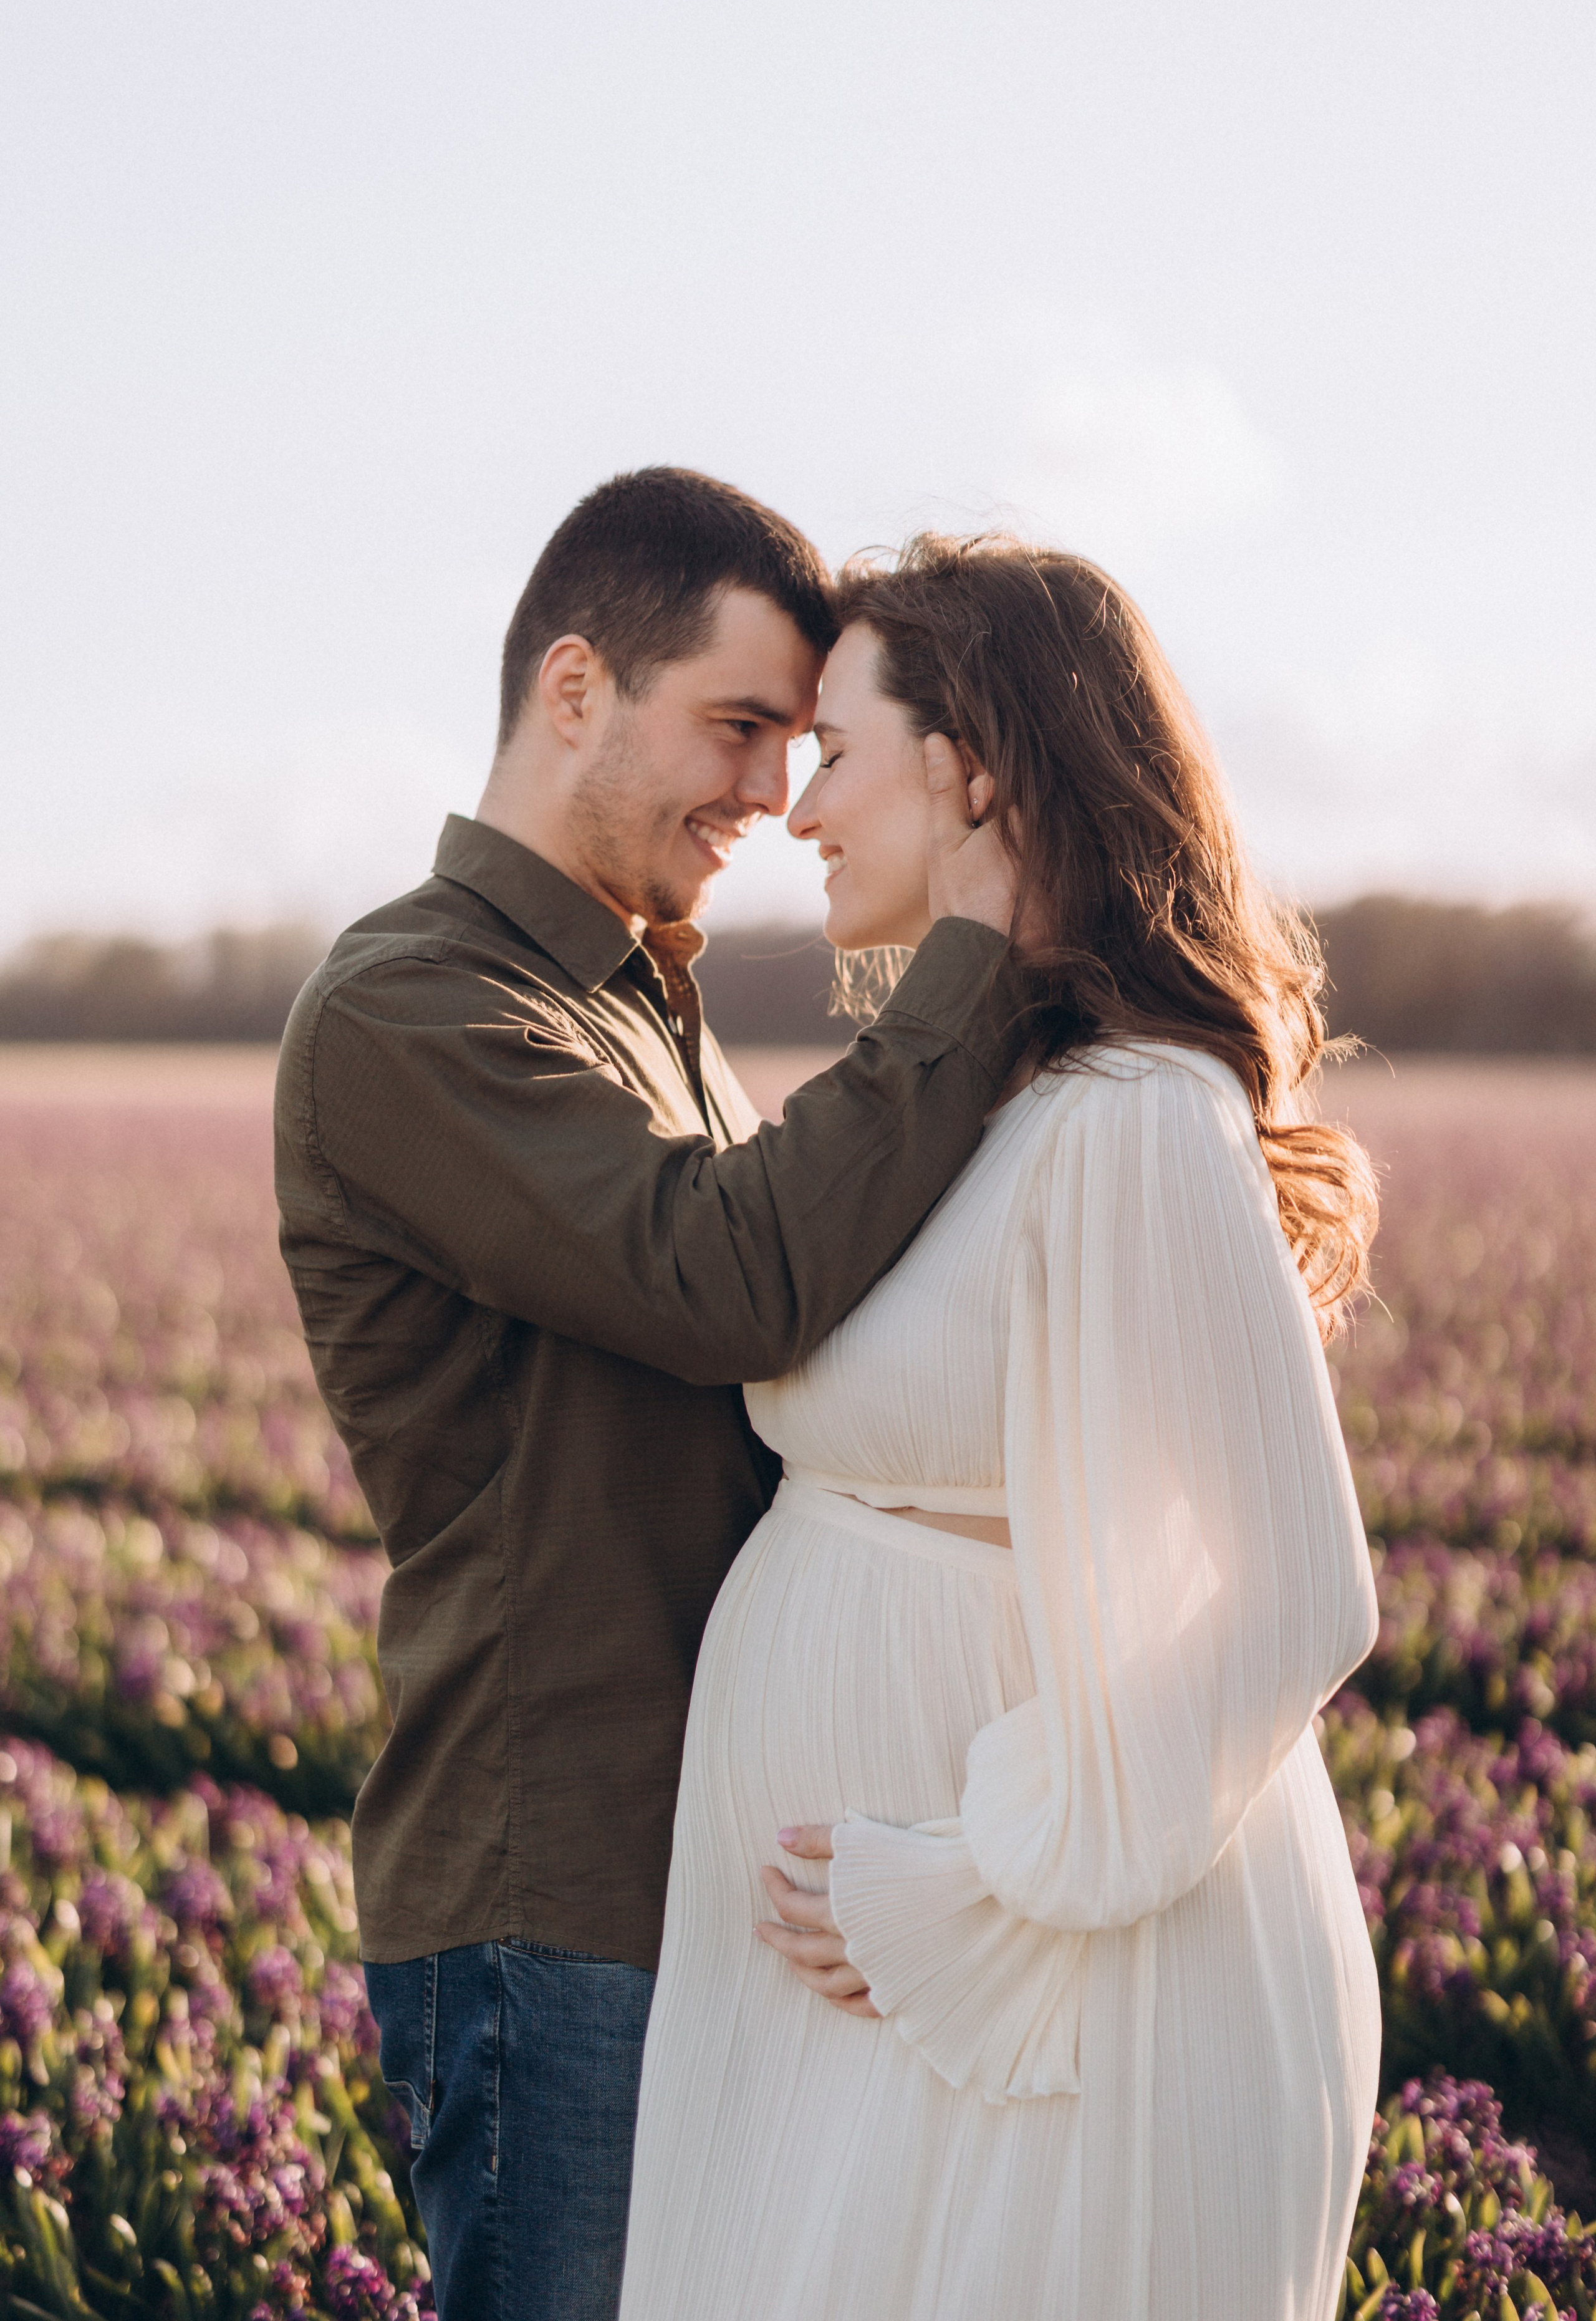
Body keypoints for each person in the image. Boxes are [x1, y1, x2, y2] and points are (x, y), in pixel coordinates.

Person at [272, 470, 1021, 2321]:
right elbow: (727, 1275)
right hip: (559, 1894)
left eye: (798, 743)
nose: (774, 796)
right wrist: (984, 954)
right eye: (743, 727)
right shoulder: (410, 1005)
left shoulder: (640, 1005)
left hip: (701, 1871)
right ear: (581, 687)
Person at [619, 533, 1385, 2321]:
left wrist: (984, 1887)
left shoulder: (1136, 1115)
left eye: (841, 750)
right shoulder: (977, 1102)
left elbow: (1299, 1592)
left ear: (976, 769)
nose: (800, 812)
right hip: (885, 1998)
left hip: (1038, 1992)